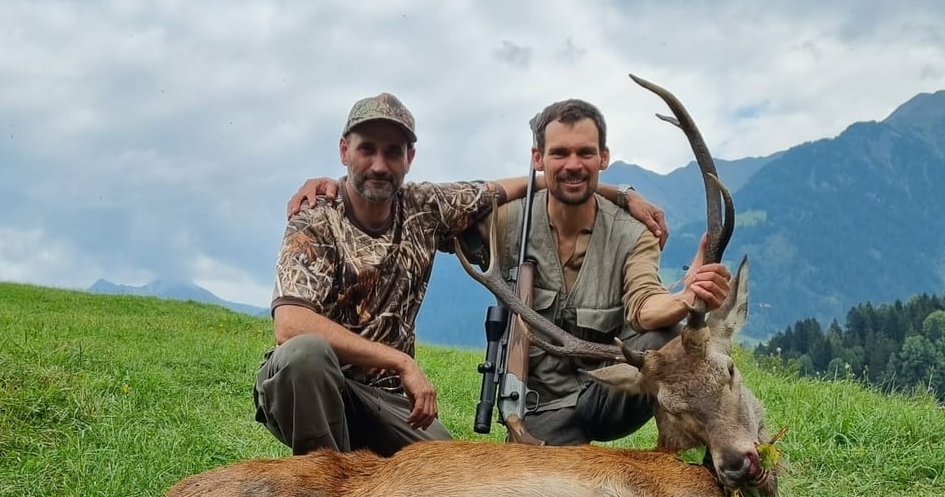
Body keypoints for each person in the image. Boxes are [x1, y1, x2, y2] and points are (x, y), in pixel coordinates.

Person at [256, 92, 667, 457]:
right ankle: (320, 487)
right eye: (367, 150)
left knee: (458, 483)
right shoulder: (314, 217)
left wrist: (619, 194)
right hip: (314, 386)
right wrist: (401, 363)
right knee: (305, 355)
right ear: (345, 150)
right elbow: (290, 326)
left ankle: (367, 474)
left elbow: (529, 184)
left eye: (393, 152)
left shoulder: (425, 206)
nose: (379, 165)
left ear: (409, 158)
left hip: (386, 398)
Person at [484, 98, 730, 445]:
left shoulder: (634, 232)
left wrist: (688, 297)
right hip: (542, 410)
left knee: (673, 341)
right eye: (559, 154)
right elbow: (461, 201)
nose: (573, 165)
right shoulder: (506, 222)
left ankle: (697, 456)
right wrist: (618, 191)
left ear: (604, 157)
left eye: (585, 153)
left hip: (607, 395)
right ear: (537, 159)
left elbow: (644, 304)